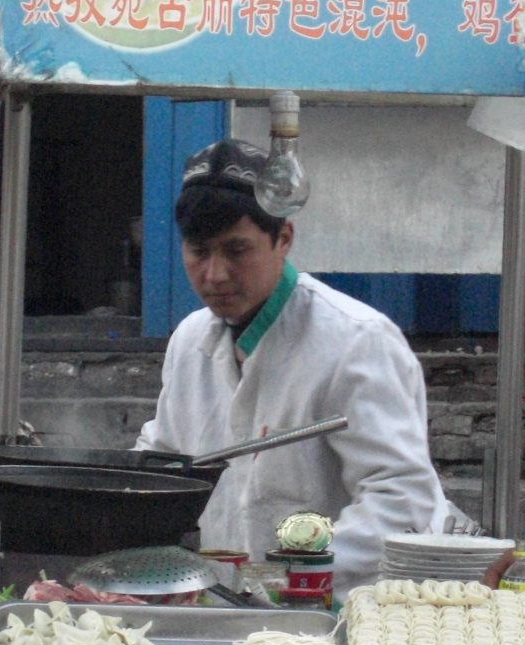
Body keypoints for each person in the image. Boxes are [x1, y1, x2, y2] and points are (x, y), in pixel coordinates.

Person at [136, 139, 450, 603]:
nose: (215, 274)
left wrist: (291, 579)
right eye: (199, 252)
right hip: (218, 609)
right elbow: (162, 467)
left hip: (330, 617)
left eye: (236, 250)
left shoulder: (356, 340)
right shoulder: (189, 341)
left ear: (284, 237)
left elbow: (402, 501)